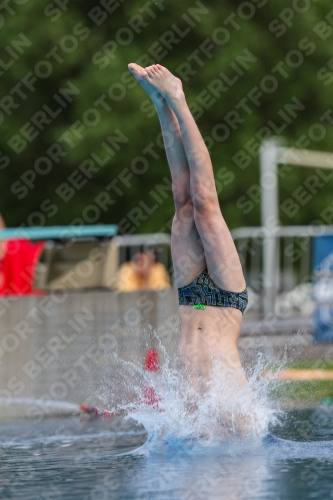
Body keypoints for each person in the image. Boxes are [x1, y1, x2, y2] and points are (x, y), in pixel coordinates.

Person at [128, 63, 249, 396]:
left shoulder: (196, 417)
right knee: (205, 205)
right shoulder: (233, 411)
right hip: (226, 300)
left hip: (192, 298)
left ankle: (159, 102)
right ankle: (177, 98)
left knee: (184, 202)